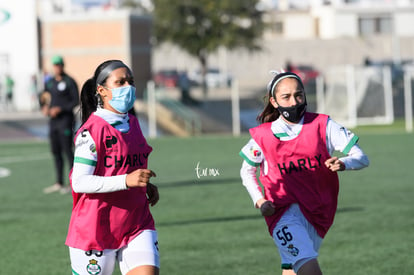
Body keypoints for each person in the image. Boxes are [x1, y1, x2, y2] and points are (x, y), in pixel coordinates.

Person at [239, 70, 369, 275]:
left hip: (318, 211)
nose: (294, 101)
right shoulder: (264, 136)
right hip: (281, 213)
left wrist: (344, 163)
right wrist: (260, 200)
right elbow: (246, 171)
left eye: (298, 95)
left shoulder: (323, 125)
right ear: (274, 102)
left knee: (291, 268)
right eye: (286, 97)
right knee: (308, 267)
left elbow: (362, 157)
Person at [66, 59, 160, 275]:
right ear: (102, 91)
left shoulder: (134, 124)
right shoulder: (91, 132)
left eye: (131, 81)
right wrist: (126, 181)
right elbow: (79, 182)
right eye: (120, 82)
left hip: (136, 222)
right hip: (96, 228)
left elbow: (124, 166)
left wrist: (144, 185)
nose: (129, 87)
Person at [42, 55, 79, 194]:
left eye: (59, 65)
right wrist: (44, 107)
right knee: (55, 151)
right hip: (53, 122)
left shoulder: (69, 81)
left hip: (66, 121)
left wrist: (61, 109)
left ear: (63, 65)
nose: (57, 67)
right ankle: (59, 182)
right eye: (55, 65)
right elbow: (44, 97)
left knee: (68, 151)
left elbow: (75, 100)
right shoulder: (50, 82)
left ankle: (73, 183)